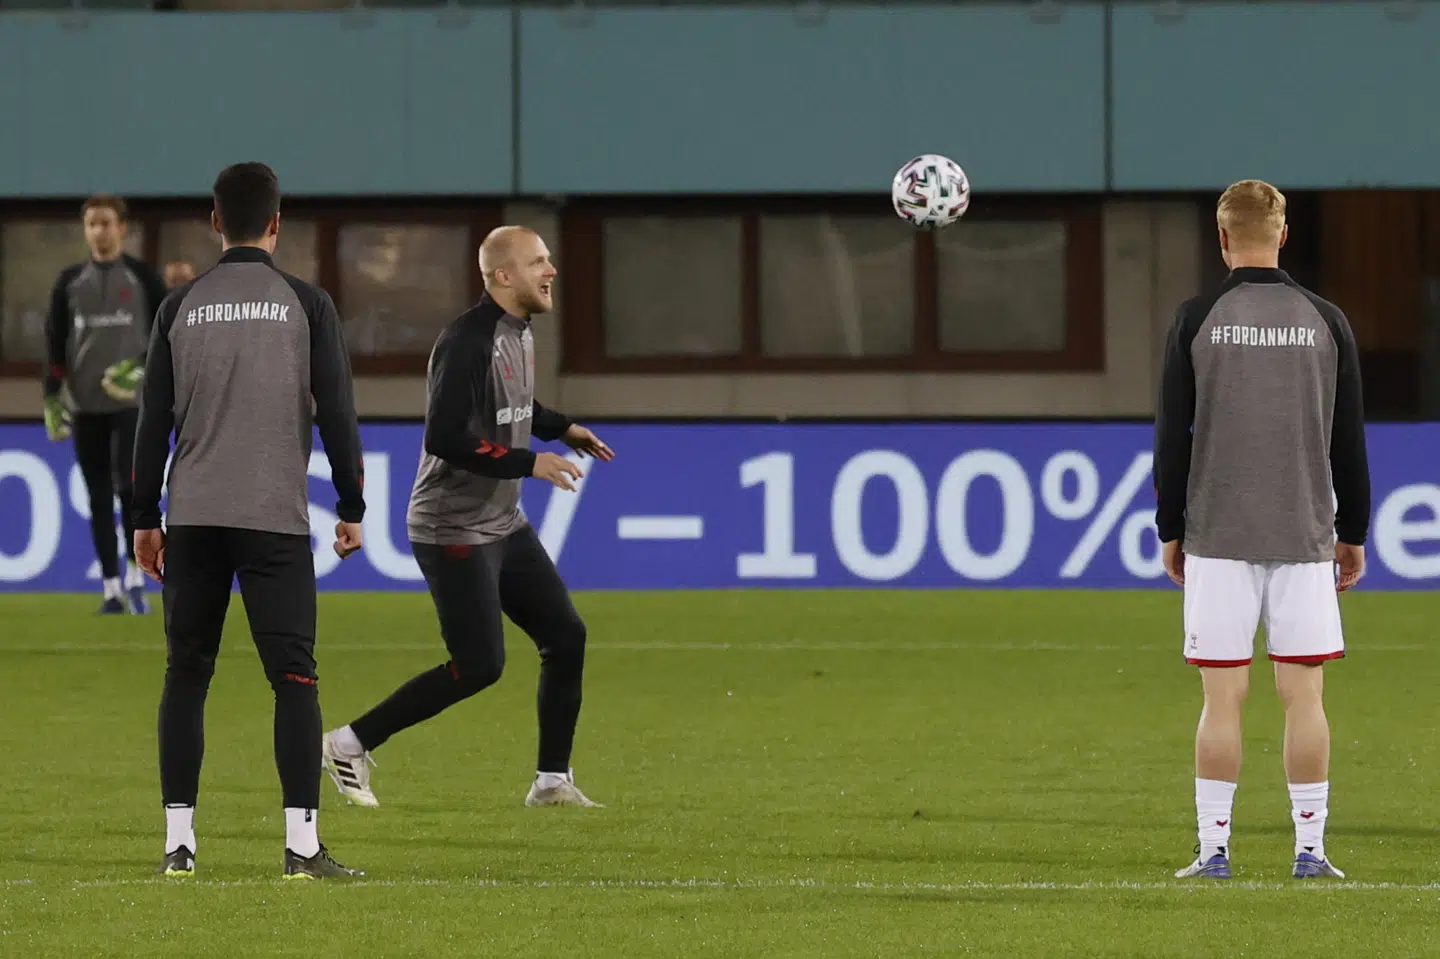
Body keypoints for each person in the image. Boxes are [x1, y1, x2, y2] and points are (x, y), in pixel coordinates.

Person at [321, 225, 614, 811]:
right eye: (538, 262)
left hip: (501, 522)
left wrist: (563, 427)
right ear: (503, 277)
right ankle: (346, 743)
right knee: (480, 665)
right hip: (451, 525)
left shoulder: (518, 332)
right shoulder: (467, 340)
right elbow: (447, 437)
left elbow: (515, 406)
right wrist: (532, 462)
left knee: (566, 635)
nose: (551, 270)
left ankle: (551, 780)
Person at [131, 162, 368, 880]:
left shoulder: (179, 306)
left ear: (214, 222)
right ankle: (301, 848)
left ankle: (179, 844)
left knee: (187, 674)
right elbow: (338, 411)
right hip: (274, 518)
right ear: (275, 223)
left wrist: (144, 518)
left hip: (195, 516)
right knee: (294, 678)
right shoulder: (306, 304)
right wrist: (352, 505)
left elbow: (150, 426)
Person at [1155, 179, 1370, 881]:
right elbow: (1348, 438)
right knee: (1303, 696)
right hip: (1304, 533)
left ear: (1222, 238)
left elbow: (1172, 436)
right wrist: (1353, 528)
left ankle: (1214, 850)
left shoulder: (1196, 317)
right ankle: (1310, 850)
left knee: (1223, 697)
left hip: (1218, 536)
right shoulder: (1326, 319)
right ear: (1284, 234)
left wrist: (1171, 525)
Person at [43, 195, 168, 614]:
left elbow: (166, 337)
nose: (100, 231)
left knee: (130, 489)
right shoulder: (69, 282)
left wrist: (139, 367)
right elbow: (55, 344)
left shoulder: (142, 278)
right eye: (92, 224)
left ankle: (137, 577)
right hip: (85, 405)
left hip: (131, 403)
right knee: (97, 495)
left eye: (107, 223)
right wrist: (51, 396)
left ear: (122, 228)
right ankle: (111, 587)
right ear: (85, 230)